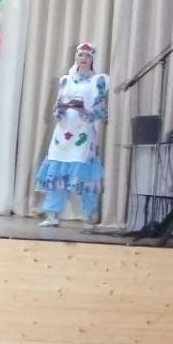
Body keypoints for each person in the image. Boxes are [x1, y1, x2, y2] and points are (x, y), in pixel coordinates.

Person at [35, 41, 109, 228]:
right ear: (76, 57)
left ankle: (89, 216)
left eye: (87, 56)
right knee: (57, 171)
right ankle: (52, 214)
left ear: (92, 59)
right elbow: (57, 107)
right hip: (63, 132)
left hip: (83, 132)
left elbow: (101, 110)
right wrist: (59, 110)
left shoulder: (98, 81)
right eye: (80, 55)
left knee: (84, 174)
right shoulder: (65, 80)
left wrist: (85, 112)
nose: (83, 58)